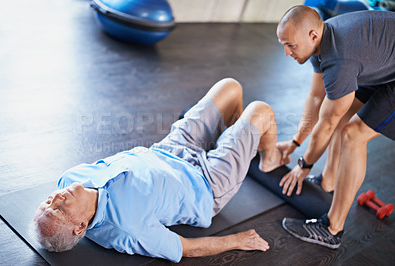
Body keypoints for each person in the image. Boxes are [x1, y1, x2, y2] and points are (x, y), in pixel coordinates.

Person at [33, 78, 285, 262]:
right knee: (261, 111)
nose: (56, 197)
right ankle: (269, 159)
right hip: (206, 183)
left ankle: (234, 137)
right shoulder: (127, 230)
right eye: (58, 209)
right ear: (80, 227)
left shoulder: (69, 178)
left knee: (230, 87)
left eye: (47, 202)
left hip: (170, 148)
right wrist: (238, 240)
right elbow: (184, 248)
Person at [275, 5, 395, 249]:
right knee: (343, 115)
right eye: (283, 45)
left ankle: (332, 228)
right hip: (386, 61)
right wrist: (296, 141)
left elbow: (327, 122)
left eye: (291, 46)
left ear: (312, 36)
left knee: (353, 135)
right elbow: (317, 98)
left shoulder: (339, 59)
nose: (286, 53)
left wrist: (304, 165)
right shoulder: (321, 41)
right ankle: (328, 183)